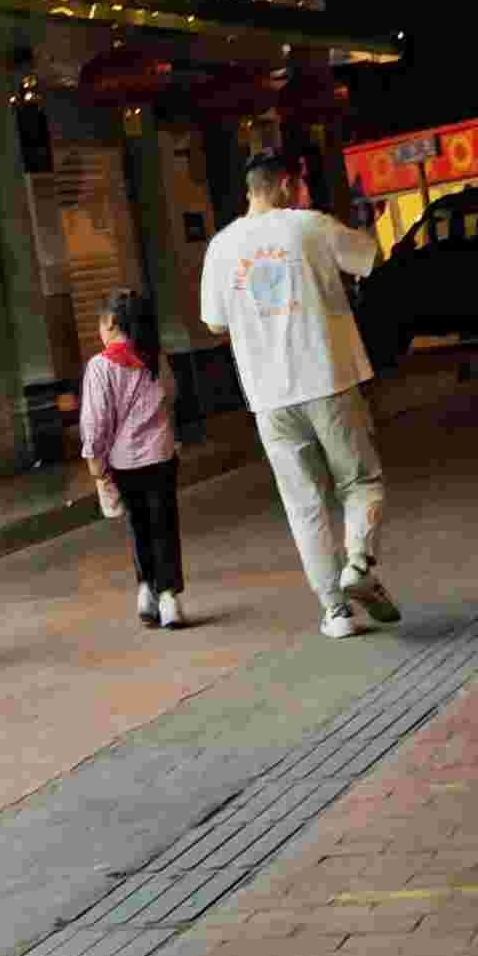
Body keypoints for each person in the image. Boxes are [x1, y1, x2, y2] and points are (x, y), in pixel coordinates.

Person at [200, 150, 396, 638]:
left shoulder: (221, 247)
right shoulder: (311, 226)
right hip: (329, 380)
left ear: (250, 188)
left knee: (303, 503)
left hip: (268, 396)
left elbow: (214, 322)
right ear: (287, 184)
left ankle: (335, 612)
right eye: (301, 184)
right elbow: (371, 257)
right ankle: (358, 563)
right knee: (360, 481)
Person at [78, 289, 184, 630]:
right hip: (162, 456)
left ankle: (146, 592)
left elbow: (95, 421)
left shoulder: (100, 366)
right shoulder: (155, 358)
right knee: (164, 526)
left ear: (110, 322)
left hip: (124, 463)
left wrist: (95, 462)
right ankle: (170, 600)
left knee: (139, 526)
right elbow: (172, 395)